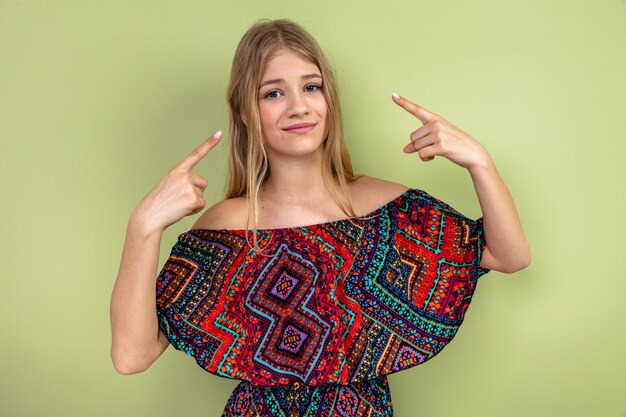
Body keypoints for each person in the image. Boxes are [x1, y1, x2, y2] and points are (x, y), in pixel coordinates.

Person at [110, 18, 530, 416]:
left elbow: (509, 256)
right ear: (244, 112)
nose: (298, 107)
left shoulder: (387, 209)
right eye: (273, 93)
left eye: (311, 87)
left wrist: (479, 162)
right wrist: (143, 226)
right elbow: (132, 355)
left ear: (329, 99)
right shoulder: (225, 230)